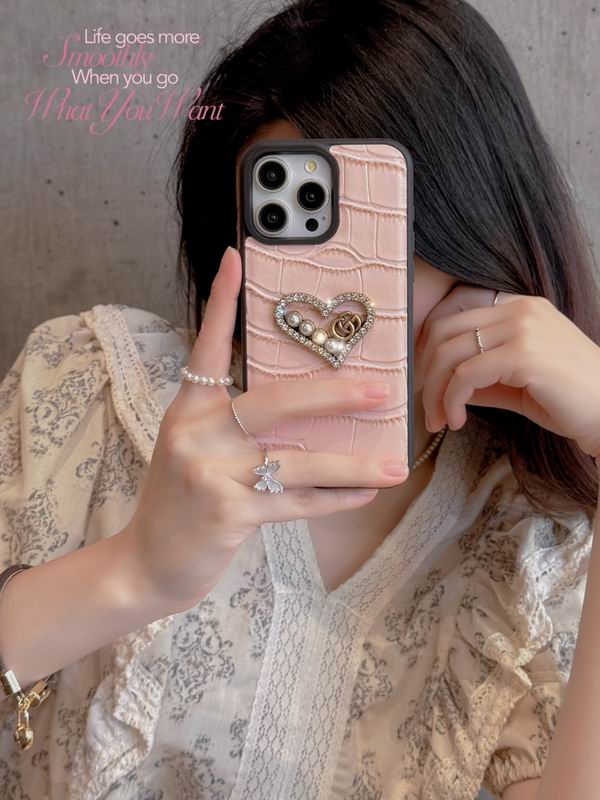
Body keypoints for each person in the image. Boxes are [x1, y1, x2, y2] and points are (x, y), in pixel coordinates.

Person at [1, 1, 600, 798]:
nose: (340, 273)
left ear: (476, 224)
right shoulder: (92, 384)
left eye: (383, 228)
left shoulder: (534, 535)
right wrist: (134, 569)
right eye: (292, 226)